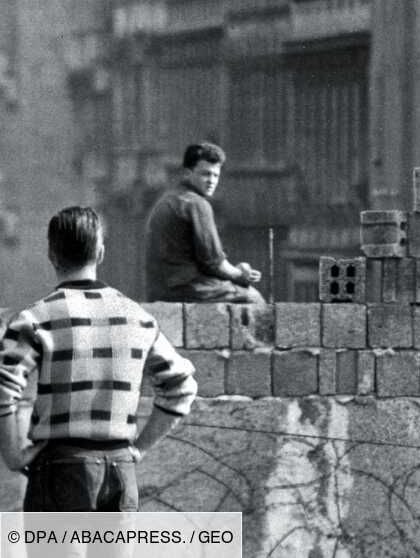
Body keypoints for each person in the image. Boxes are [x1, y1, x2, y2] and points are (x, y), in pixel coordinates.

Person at [0, 206, 198, 511]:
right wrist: (138, 450)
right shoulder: (139, 319)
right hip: (120, 472)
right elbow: (182, 387)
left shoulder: (34, 319)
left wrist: (13, 452)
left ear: (52, 255)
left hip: (60, 471)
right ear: (101, 253)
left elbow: (4, 386)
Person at [144, 142, 265, 303]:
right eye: (205, 174)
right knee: (254, 298)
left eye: (216, 175)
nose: (211, 181)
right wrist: (241, 275)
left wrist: (236, 271)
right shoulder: (196, 204)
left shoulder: (167, 200)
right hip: (189, 289)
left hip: (160, 291)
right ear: (188, 173)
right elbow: (214, 263)